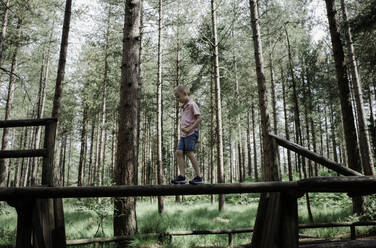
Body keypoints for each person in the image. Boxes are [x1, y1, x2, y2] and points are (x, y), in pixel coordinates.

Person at [171, 85, 203, 185]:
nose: (177, 99)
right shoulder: (184, 107)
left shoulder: (192, 104)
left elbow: (199, 118)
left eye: (178, 96)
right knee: (179, 152)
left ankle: (199, 177)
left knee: (189, 153)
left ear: (185, 94)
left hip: (191, 133)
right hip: (184, 135)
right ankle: (182, 176)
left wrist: (189, 128)